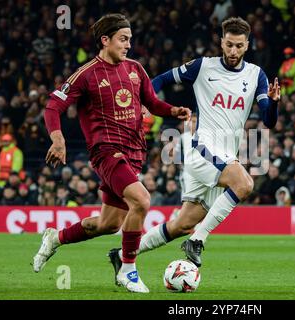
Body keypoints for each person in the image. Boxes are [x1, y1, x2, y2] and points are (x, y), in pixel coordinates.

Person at [32, 13, 191, 293]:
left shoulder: (135, 68)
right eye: (123, 39)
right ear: (105, 40)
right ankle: (127, 269)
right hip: (106, 152)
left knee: (108, 224)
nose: (128, 44)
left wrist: (173, 110)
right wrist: (58, 140)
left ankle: (55, 239)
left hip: (133, 151)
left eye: (130, 39)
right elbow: (52, 106)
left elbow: (152, 103)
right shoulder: (87, 74)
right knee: (141, 200)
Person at [108, 17, 280, 273]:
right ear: (222, 42)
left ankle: (123, 255)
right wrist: (145, 102)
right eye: (229, 44)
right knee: (244, 184)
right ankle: (197, 241)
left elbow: (268, 120)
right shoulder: (202, 67)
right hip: (203, 149)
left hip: (224, 155)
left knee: (182, 224)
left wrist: (274, 103)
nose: (233, 51)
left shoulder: (256, 75)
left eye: (239, 46)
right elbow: (161, 80)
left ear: (247, 45)